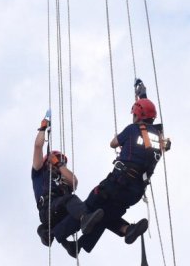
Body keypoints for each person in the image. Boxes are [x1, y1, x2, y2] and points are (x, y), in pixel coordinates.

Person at [59, 97, 170, 254]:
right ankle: (124, 230)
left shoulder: (133, 129)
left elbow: (113, 143)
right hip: (136, 191)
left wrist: (125, 140)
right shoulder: (160, 140)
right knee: (107, 214)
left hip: (120, 181)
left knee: (92, 204)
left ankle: (58, 232)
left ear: (138, 115)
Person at [32, 112, 104, 257]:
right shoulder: (40, 172)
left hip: (60, 212)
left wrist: (59, 165)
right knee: (72, 200)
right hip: (48, 208)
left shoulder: (62, 178)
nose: (59, 165)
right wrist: (43, 128)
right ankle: (84, 218)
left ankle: (73, 245)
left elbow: (74, 182)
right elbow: (38, 147)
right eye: (56, 160)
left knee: (96, 212)